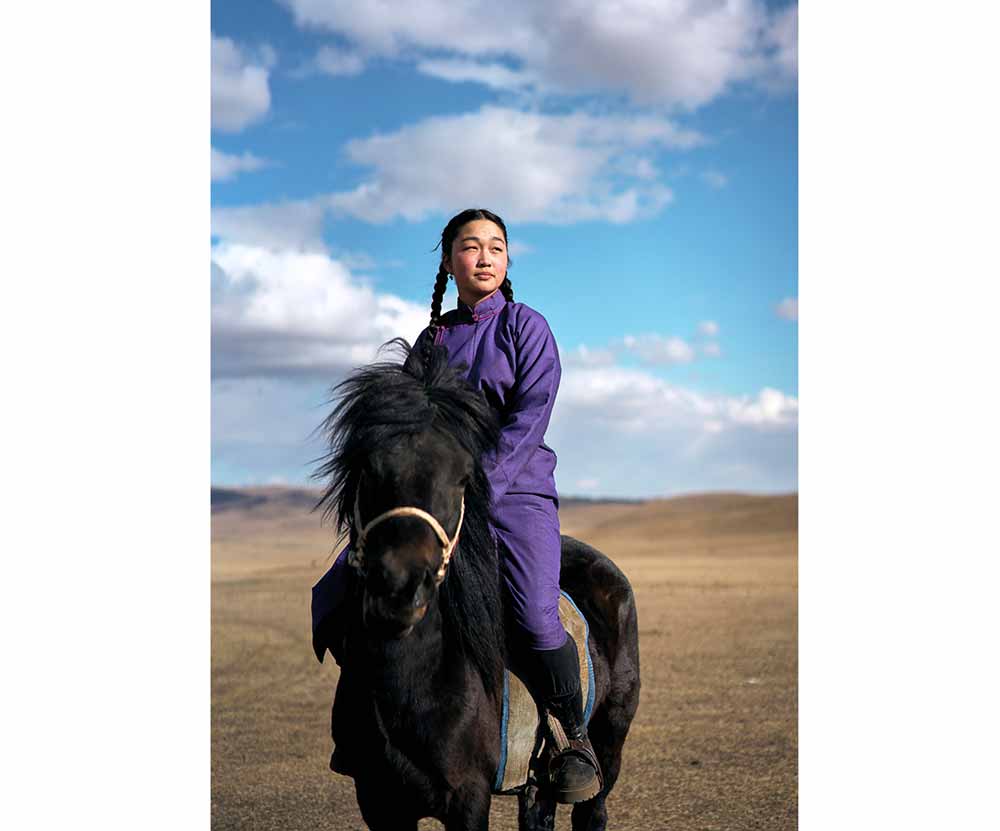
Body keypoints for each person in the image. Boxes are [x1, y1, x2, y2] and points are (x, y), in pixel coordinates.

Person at [311, 208, 601, 803]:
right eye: (472, 247)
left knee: (536, 618)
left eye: (497, 246)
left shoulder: (526, 327)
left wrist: (480, 484)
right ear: (449, 261)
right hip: (434, 503)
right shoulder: (432, 340)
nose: (486, 257)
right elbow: (407, 427)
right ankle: (365, 724)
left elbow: (531, 414)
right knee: (338, 589)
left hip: (515, 493)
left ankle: (572, 738)